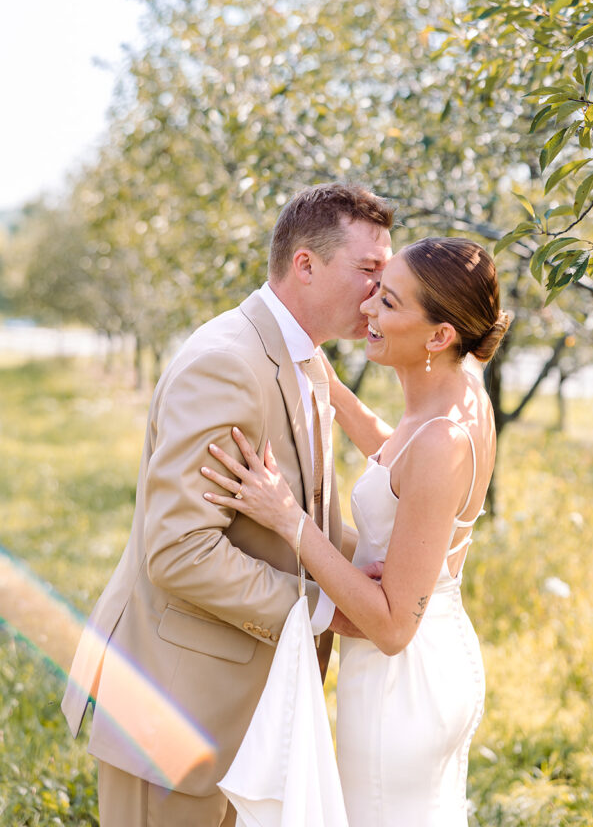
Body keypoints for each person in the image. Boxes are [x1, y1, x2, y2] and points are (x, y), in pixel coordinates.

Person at [61, 182, 393, 827]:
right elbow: (182, 552)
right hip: (175, 709)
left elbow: (301, 515)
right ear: (305, 264)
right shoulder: (226, 364)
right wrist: (330, 606)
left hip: (249, 717)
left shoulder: (306, 363)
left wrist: (375, 570)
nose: (379, 292)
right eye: (369, 270)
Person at [201, 237, 511, 826]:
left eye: (389, 302)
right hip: (435, 657)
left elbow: (393, 626)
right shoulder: (461, 390)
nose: (368, 307)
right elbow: (400, 461)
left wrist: (288, 518)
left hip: (402, 682)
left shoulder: (445, 438)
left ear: (439, 335)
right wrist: (331, 390)